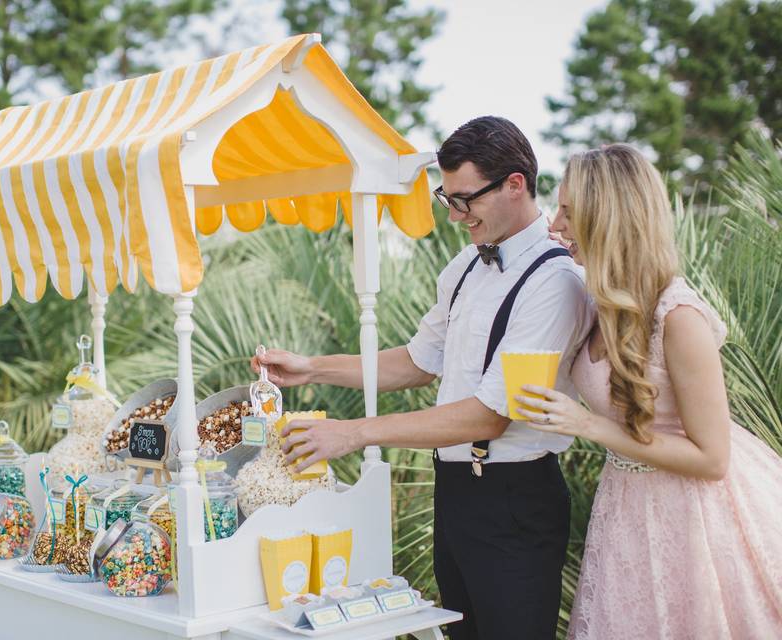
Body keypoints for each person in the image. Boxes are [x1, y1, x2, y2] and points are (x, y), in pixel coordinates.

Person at [252, 116, 595, 639]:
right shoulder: (462, 268)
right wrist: (312, 366)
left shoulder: (556, 281)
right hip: (455, 493)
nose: (457, 215)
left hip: (516, 501)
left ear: (514, 185)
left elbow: (490, 415)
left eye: (466, 199)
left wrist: (354, 433)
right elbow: (416, 361)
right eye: (447, 198)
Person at [515, 144, 782, 638]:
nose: (554, 225)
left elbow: (712, 458)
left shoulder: (679, 318)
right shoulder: (598, 301)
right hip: (627, 508)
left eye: (570, 211)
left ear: (608, 218)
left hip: (696, 520)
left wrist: (589, 425)